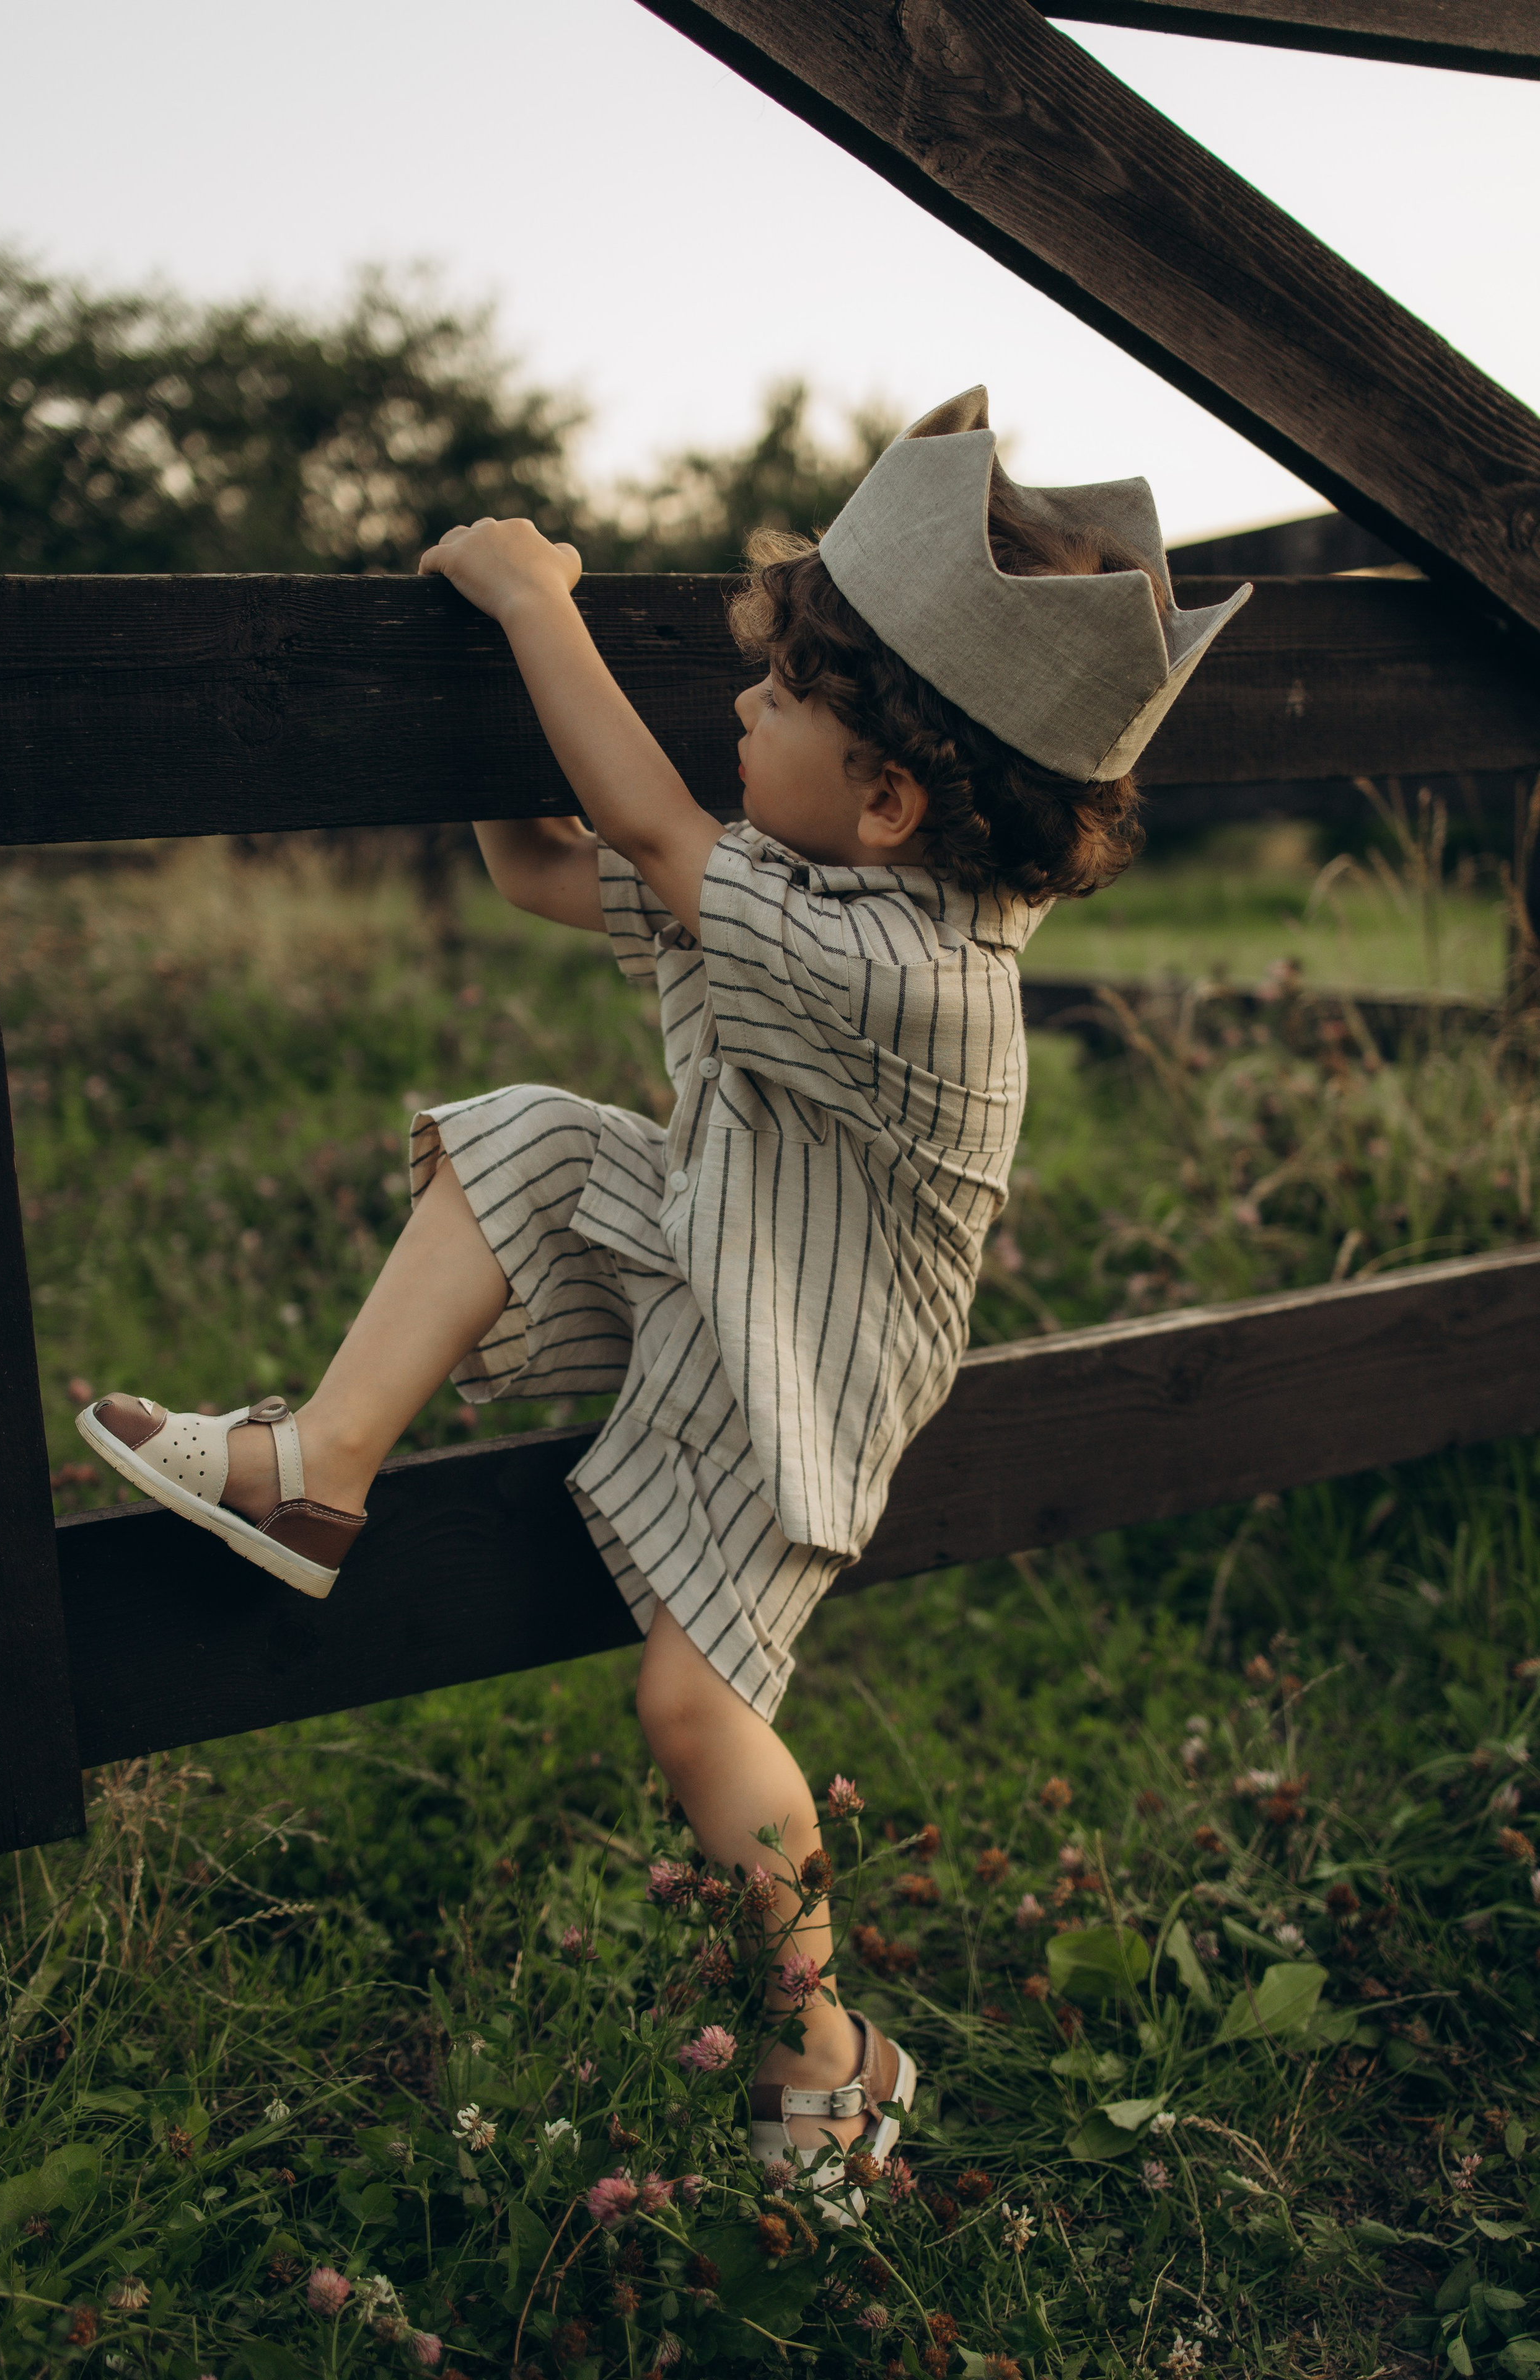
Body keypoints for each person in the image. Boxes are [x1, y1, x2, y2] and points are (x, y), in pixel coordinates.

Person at [77, 387, 1249, 2177]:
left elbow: (639, 828)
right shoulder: (820, 886)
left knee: (692, 1712)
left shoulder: (921, 977)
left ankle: (825, 2048)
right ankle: (318, 1465)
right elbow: (544, 862)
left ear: (889, 797)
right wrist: (496, 687)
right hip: (714, 1252)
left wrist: (536, 597)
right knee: (538, 1137)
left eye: (780, 694)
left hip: (801, 1377)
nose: (741, 706)